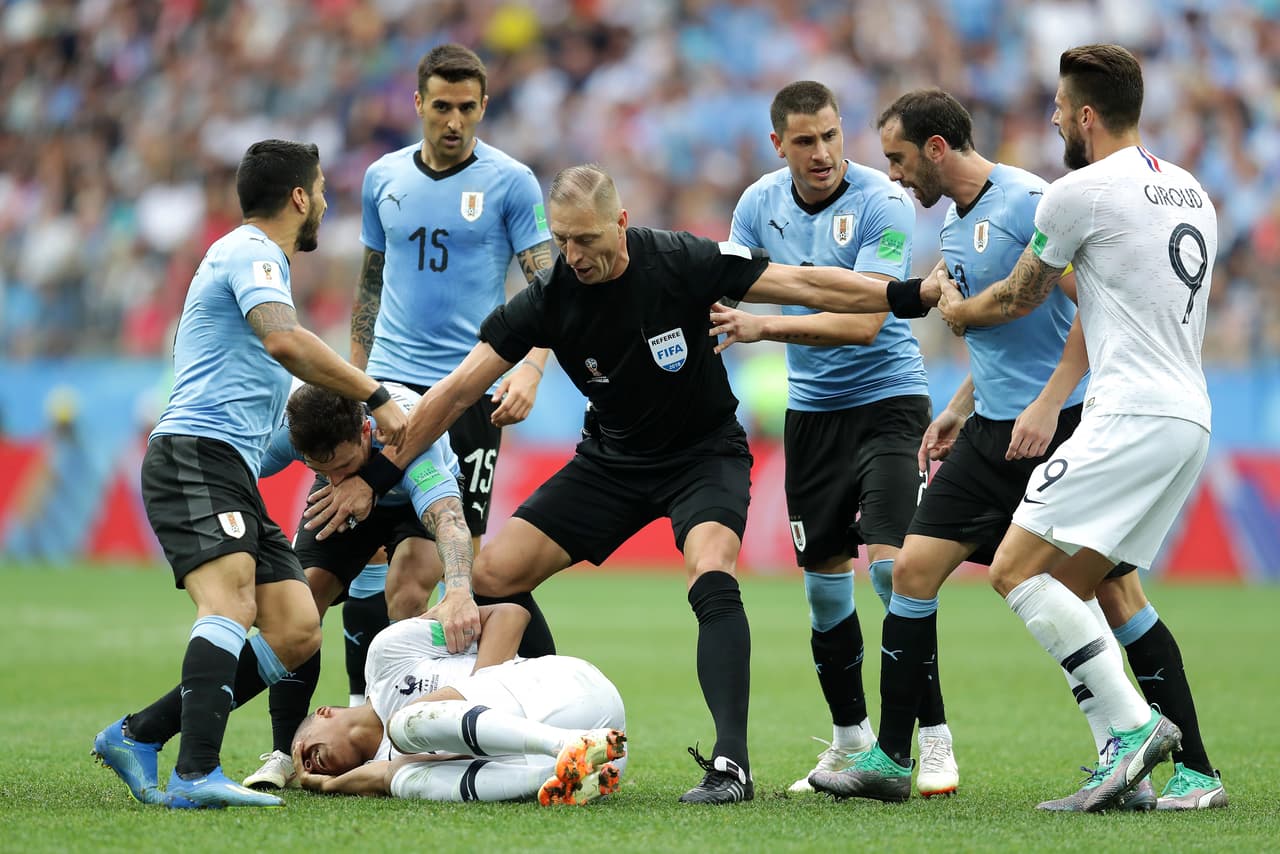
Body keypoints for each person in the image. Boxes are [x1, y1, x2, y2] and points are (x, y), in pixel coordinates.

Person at [301, 163, 942, 803]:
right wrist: (377, 474)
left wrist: (907, 296)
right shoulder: (550, 296)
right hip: (612, 461)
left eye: (588, 240)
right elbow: (457, 391)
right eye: (563, 241)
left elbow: (799, 283)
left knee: (711, 571)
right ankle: (537, 708)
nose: (574, 255)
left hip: (703, 455)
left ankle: (730, 766)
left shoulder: (681, 260)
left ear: (622, 225)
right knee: (493, 576)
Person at [930, 44, 1218, 813]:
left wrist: (956, 312)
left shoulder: (1077, 193)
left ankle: (1131, 735)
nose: (1054, 118)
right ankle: (1195, 773)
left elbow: (1020, 297)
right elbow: (1108, 302)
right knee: (1091, 587)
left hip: (1126, 412)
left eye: (1059, 109)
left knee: (1013, 570)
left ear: (1085, 115)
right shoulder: (1189, 192)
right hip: (1189, 413)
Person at [90, 139, 410, 810]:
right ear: (299, 197)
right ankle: (194, 773)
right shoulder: (252, 252)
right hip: (194, 453)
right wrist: (373, 393)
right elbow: (284, 341)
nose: (324, 201)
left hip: (227, 465)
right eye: (320, 190)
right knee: (231, 604)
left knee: (295, 629)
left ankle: (140, 734)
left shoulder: (257, 259)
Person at [709, 80, 955, 797]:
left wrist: (764, 320)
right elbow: (725, 282)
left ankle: (931, 740)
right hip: (813, 413)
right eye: (805, 141)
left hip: (889, 401)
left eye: (831, 137)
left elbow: (865, 320)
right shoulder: (758, 203)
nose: (822, 154)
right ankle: (852, 741)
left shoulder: (882, 200)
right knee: (823, 593)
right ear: (778, 144)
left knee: (891, 570)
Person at [345, 42, 555, 648]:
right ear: (418, 103)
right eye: (441, 106)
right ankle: (384, 712)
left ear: (485, 105)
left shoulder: (512, 183)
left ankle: (449, 708)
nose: (454, 121)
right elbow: (370, 283)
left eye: (467, 107)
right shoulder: (382, 177)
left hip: (470, 395)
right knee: (381, 570)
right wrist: (352, 383)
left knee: (452, 569)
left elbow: (550, 289)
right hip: (387, 391)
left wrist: (532, 368)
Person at [242, 381, 469, 790]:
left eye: (343, 466)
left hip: (411, 508)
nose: (334, 478)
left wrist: (457, 591)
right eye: (319, 469)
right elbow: (235, 468)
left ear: (367, 431)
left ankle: (402, 734)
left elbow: (449, 521)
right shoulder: (301, 436)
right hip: (349, 491)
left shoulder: (408, 440)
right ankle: (282, 752)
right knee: (299, 604)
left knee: (407, 593)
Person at [290, 605, 627, 805]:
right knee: (408, 780)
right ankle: (563, 774)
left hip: (561, 687)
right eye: (305, 767)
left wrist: (477, 692)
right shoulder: (385, 767)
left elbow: (507, 615)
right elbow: (382, 777)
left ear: (324, 711)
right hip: (604, 747)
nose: (309, 763)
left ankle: (565, 746)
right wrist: (327, 785)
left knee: (403, 727)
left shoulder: (387, 655)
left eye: (302, 748)